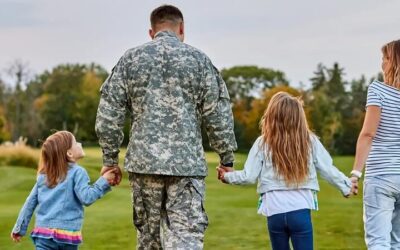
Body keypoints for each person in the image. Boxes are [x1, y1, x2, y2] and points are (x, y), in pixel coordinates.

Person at [95, 4, 237, 250]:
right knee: (186, 238)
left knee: (149, 241)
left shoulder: (131, 60)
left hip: (144, 164)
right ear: (182, 29)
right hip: (186, 166)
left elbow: (109, 113)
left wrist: (110, 159)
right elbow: (218, 114)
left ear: (152, 32)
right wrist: (226, 157)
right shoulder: (200, 61)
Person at [217, 92, 351, 250]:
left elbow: (248, 176)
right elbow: (328, 169)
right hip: (300, 212)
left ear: (271, 116)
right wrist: (346, 186)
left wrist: (227, 176)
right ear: (299, 118)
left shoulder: (262, 143)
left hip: (275, 214)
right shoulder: (310, 141)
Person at [10, 130, 115, 250]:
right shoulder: (78, 172)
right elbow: (87, 198)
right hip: (67, 236)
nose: (80, 144)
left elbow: (29, 203)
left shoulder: (44, 176)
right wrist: (104, 181)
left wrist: (19, 228)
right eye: (76, 143)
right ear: (69, 153)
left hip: (43, 234)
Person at [350, 39, 400, 250]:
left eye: (385, 58)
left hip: (381, 177)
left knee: (378, 242)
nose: (382, 63)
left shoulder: (377, 91)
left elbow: (368, 134)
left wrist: (355, 173)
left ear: (395, 61)